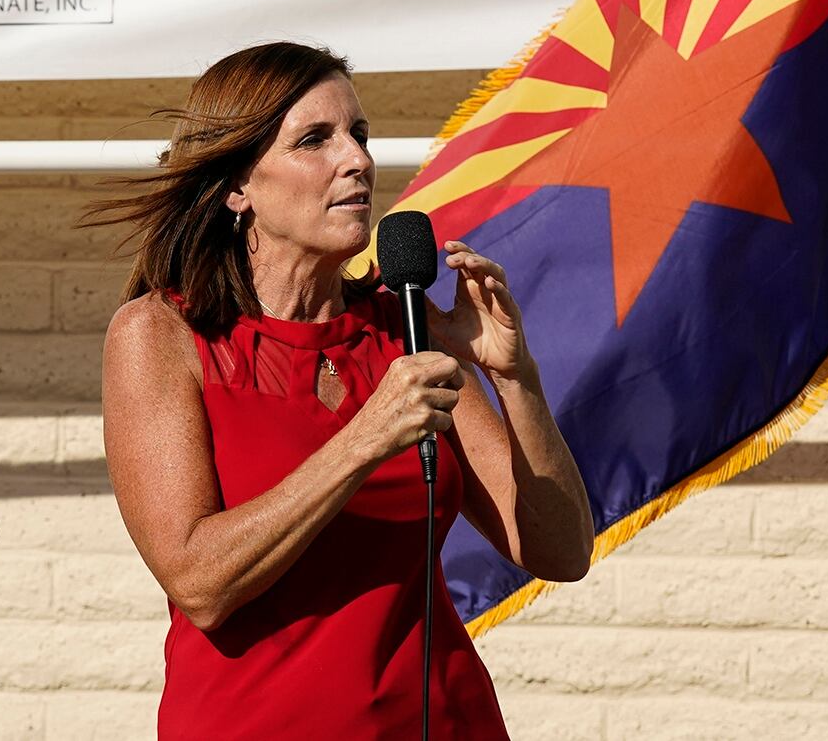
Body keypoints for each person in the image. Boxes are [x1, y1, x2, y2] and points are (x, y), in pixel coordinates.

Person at [92, 41, 594, 738]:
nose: (356, 159)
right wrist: (364, 439)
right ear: (240, 185)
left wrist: (515, 377)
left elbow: (561, 552)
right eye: (314, 139)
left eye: (358, 134)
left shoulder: (404, 330)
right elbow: (199, 581)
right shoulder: (160, 334)